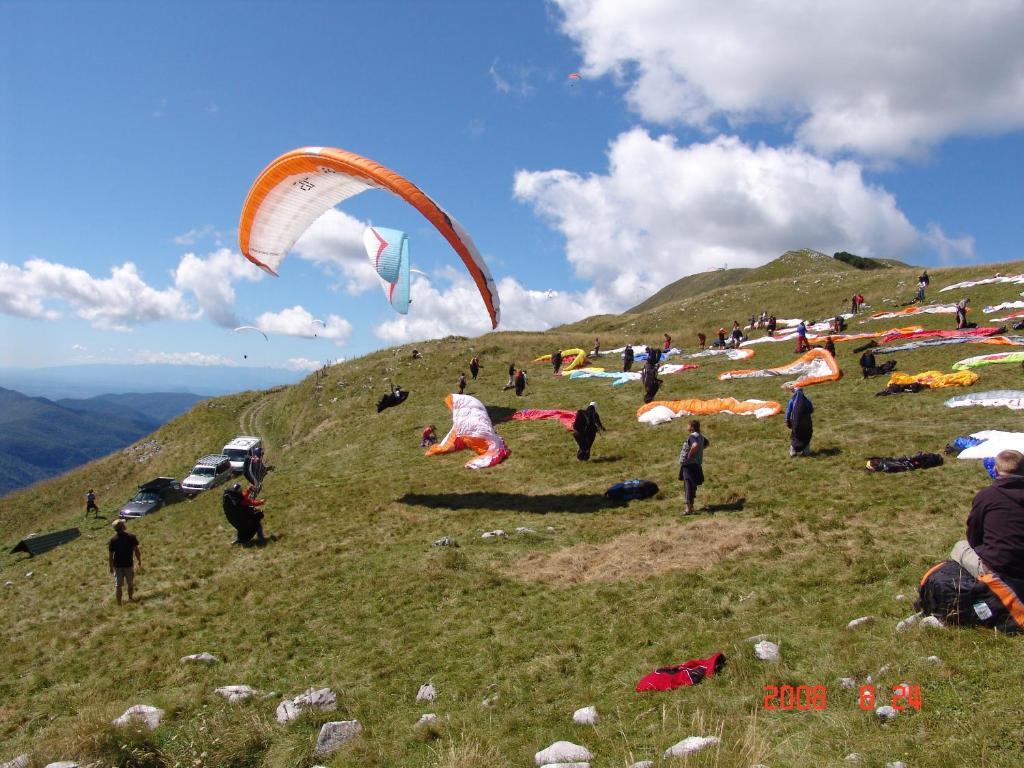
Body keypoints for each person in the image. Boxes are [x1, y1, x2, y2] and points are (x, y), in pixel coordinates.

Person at [949, 450, 1024, 580]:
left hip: (1000, 570)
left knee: (960, 546)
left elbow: (973, 536)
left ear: (995, 470)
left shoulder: (986, 496)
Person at [679, 420, 709, 515]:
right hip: (696, 464)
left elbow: (695, 445)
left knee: (688, 485)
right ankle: (691, 506)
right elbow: (707, 443)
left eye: (688, 425)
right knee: (692, 485)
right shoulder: (700, 436)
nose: (686, 427)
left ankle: (688, 509)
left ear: (692, 427)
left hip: (689, 465)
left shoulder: (692, 436)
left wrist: (690, 455)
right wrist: (700, 451)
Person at [108, 519, 141, 605]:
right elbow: (136, 550)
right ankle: (130, 598)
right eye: (123, 523)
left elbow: (111, 555)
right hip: (128, 565)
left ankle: (119, 604)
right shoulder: (131, 537)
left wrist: (111, 567)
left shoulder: (113, 540)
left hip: (117, 566)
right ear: (122, 527)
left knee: (118, 586)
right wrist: (139, 560)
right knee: (130, 584)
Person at [785, 387, 814, 457]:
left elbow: (788, 411)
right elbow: (811, 410)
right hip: (806, 422)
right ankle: (806, 451)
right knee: (806, 435)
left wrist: (787, 420)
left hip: (796, 422)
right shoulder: (807, 400)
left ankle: (793, 451)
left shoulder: (792, 400)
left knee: (795, 435)